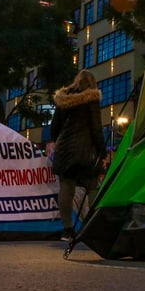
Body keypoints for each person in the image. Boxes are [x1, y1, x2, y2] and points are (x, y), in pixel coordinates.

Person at [50, 69, 106, 241]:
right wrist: (102, 151)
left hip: (65, 152)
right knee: (93, 187)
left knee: (66, 189)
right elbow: (96, 128)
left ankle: (67, 230)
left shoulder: (63, 100)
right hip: (86, 152)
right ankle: (93, 226)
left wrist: (60, 142)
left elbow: (54, 129)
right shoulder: (92, 99)